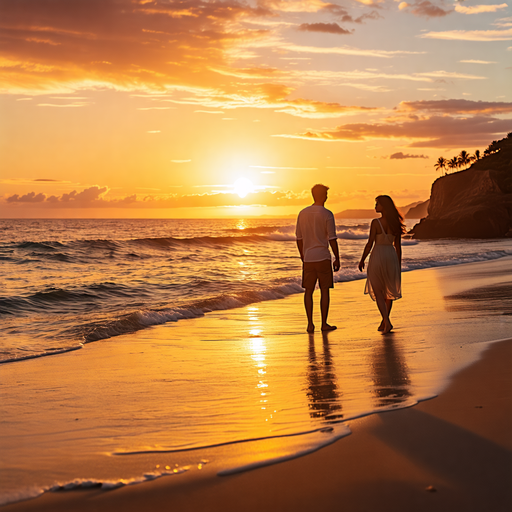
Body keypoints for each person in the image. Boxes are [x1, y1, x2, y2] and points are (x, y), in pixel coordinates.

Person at [358, 195, 406, 334]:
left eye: (377, 203)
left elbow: (369, 244)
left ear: (384, 206)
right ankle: (385, 321)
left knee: (379, 291)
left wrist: (362, 259)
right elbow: (398, 247)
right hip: (390, 256)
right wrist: (398, 263)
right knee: (388, 292)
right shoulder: (395, 223)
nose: (375, 206)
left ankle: (387, 321)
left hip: (378, 255)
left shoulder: (375, 223)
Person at [296, 184, 340, 333]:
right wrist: (337, 257)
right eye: (326, 194)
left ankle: (310, 324)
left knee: (308, 291)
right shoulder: (327, 214)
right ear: (323, 196)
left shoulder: (302, 213)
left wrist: (303, 255)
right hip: (323, 257)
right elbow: (332, 238)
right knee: (324, 291)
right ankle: (324, 323)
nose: (327, 197)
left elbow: (299, 238)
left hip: (308, 258)